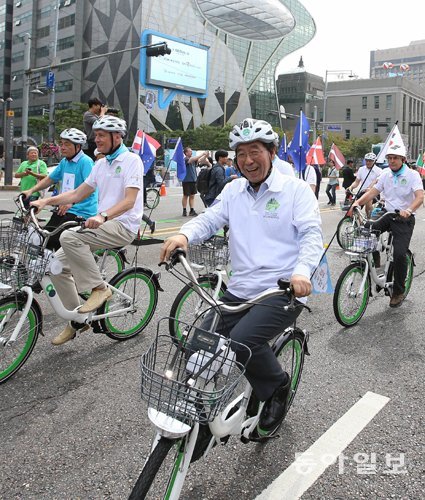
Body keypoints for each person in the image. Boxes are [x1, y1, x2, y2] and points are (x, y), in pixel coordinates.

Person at [161, 118, 323, 434]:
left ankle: (276, 386)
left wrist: (301, 274)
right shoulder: (234, 190)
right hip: (240, 290)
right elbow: (208, 220)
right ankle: (199, 419)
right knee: (198, 343)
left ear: (272, 152)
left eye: (255, 151)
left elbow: (311, 236)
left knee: (241, 342)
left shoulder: (296, 191)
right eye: (241, 154)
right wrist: (183, 235)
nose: (248, 160)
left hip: (282, 292)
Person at [31, 116, 144, 345]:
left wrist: (102, 215)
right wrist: (44, 202)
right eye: (96, 135)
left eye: (102, 135)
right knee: (55, 266)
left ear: (117, 137)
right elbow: (75, 194)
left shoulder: (131, 160)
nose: (97, 139)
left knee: (69, 237)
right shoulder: (101, 164)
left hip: (122, 225)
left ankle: (99, 288)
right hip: (102, 224)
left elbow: (130, 201)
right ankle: (79, 319)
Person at [352, 141, 424, 308]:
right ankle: (371, 264)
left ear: (403, 159)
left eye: (395, 158)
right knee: (366, 230)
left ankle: (398, 291)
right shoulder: (385, 174)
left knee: (399, 254)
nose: (392, 161)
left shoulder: (412, 175)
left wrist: (408, 209)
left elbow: (420, 197)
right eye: (389, 158)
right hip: (388, 214)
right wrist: (357, 203)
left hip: (404, 218)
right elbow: (373, 192)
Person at [22, 129, 97, 250]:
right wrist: (30, 191)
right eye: (61, 144)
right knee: (41, 238)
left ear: (78, 146)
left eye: (67, 144)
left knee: (55, 242)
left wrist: (71, 202)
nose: (62, 147)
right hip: (63, 209)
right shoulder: (64, 162)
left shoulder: (86, 162)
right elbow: (49, 179)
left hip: (80, 212)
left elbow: (91, 188)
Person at [348, 152, 382, 218]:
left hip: (374, 193)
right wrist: (351, 187)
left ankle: (372, 219)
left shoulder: (379, 170)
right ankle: (359, 223)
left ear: (374, 161)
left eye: (370, 161)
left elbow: (377, 182)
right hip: (362, 192)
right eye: (366, 160)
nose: (368, 162)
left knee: (368, 204)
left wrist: (370, 188)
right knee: (355, 207)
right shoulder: (361, 169)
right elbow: (356, 182)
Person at [181, 147, 209, 216]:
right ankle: (184, 210)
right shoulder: (185, 159)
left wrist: (205, 155)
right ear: (186, 153)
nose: (191, 152)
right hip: (187, 180)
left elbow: (199, 160)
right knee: (185, 195)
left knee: (192, 196)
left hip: (193, 180)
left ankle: (192, 210)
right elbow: (191, 160)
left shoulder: (193, 159)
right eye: (190, 151)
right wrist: (202, 153)